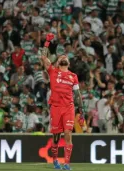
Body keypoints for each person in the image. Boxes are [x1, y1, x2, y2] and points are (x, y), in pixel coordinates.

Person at [41, 33, 84, 170]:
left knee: (68, 134)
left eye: (65, 57)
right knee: (55, 137)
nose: (63, 57)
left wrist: (81, 112)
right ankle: (55, 160)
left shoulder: (73, 76)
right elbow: (43, 57)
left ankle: (66, 163)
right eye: (61, 57)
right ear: (58, 62)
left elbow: (77, 94)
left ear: (69, 63)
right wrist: (47, 41)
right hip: (55, 107)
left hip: (68, 108)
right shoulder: (53, 71)